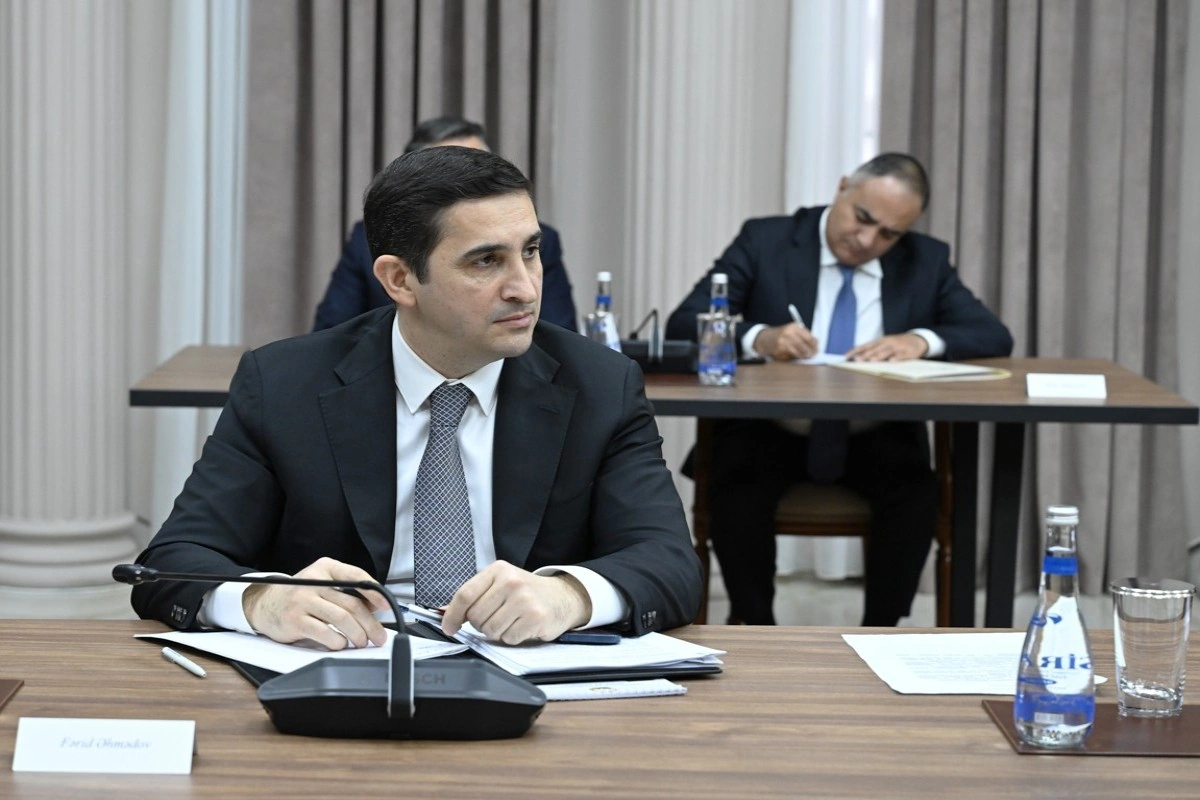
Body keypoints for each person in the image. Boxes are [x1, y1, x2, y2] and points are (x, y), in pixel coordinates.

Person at [133, 146, 702, 648]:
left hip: (534, 681)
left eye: (530, 252)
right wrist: (261, 600)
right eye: (486, 261)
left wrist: (568, 596)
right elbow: (171, 564)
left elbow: (670, 564)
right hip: (346, 671)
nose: (524, 287)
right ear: (400, 280)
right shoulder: (284, 384)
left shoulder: (600, 385)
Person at [666, 153, 1012, 627]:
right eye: (863, 218)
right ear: (843, 187)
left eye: (889, 234)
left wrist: (920, 340)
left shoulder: (924, 260)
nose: (867, 240)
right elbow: (684, 322)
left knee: (917, 494)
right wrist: (758, 337)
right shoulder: (767, 240)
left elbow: (993, 334)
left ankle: (881, 634)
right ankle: (756, 628)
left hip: (875, 434)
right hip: (772, 429)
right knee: (735, 484)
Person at [313, 116, 578, 332]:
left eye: (529, 251)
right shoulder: (366, 240)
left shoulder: (541, 237)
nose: (526, 292)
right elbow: (333, 336)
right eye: (485, 260)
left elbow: (558, 340)